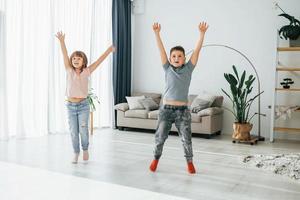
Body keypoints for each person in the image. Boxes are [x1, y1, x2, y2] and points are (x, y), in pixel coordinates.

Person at [149, 22, 209, 174]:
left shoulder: (189, 69)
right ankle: (156, 159)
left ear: (184, 58)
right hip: (166, 110)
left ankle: (189, 162)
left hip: (182, 111)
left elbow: (197, 51)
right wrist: (157, 34)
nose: (176, 58)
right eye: (173, 56)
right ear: (169, 59)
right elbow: (161, 50)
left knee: (186, 139)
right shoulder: (167, 68)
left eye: (179, 56)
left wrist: (201, 34)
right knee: (160, 137)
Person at [55, 31, 115, 164]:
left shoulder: (87, 71)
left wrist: (108, 51)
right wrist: (62, 41)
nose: (75, 60)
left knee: (83, 130)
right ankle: (76, 152)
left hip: (83, 106)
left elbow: (99, 61)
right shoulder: (69, 70)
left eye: (79, 58)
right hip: (70, 106)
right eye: (74, 58)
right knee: (73, 132)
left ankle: (85, 149)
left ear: (84, 61)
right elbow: (64, 55)